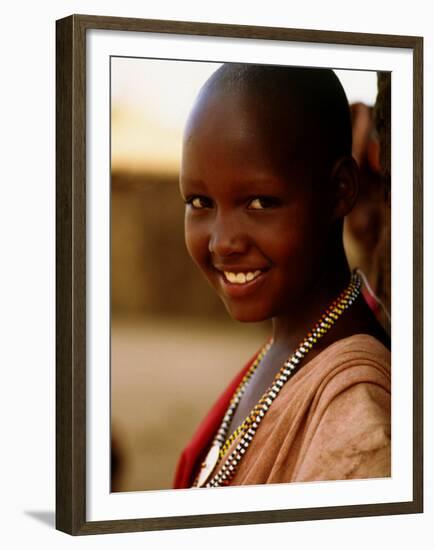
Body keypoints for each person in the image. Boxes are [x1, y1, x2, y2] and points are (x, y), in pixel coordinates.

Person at [173, 63, 391, 489]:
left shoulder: (355, 422)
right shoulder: (288, 345)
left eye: (259, 203)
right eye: (200, 201)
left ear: (341, 190)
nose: (222, 242)